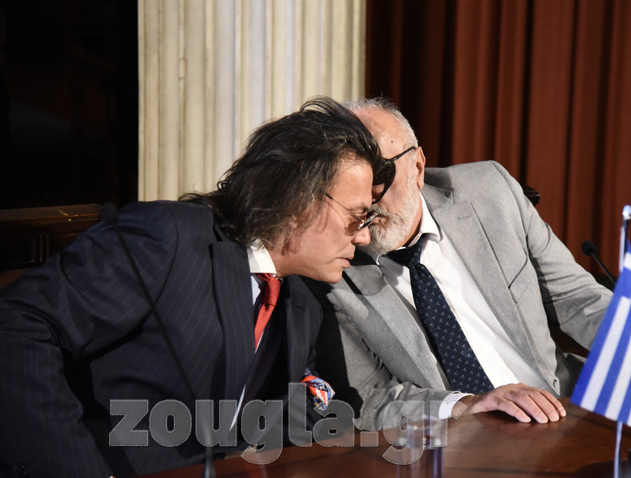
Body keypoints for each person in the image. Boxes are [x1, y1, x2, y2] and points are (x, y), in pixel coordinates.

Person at [0, 97, 391, 477]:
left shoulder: (300, 303)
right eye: (357, 216)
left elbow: (295, 414)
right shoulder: (168, 237)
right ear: (297, 201)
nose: (362, 238)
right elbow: (17, 328)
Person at [306, 97, 631, 431]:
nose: (369, 196)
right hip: (456, 446)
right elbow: (368, 399)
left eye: (381, 174)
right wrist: (468, 405)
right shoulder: (329, 265)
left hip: (567, 411)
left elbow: (576, 298)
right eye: (350, 181)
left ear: (418, 166)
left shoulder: (489, 192)